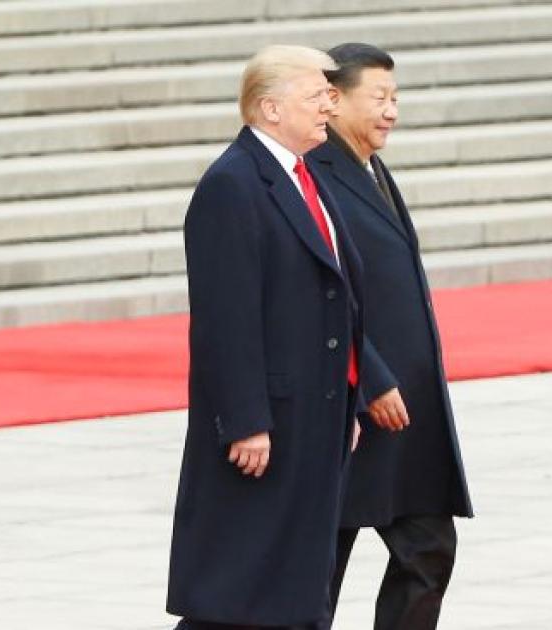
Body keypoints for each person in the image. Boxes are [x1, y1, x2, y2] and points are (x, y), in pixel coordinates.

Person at [167, 45, 383, 629]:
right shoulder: (233, 185)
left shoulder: (304, 175)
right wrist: (245, 420)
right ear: (270, 108)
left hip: (317, 410)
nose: (329, 106)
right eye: (317, 95)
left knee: (293, 581)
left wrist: (350, 397)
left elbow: (336, 298)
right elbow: (224, 317)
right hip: (270, 422)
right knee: (239, 589)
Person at [308, 43, 474, 629]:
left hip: (406, 409)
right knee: (319, 567)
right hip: (353, 400)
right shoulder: (314, 173)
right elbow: (323, 295)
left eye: (395, 97)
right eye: (379, 97)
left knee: (427, 548)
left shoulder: (369, 166)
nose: (391, 111)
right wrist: (371, 376)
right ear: (333, 100)